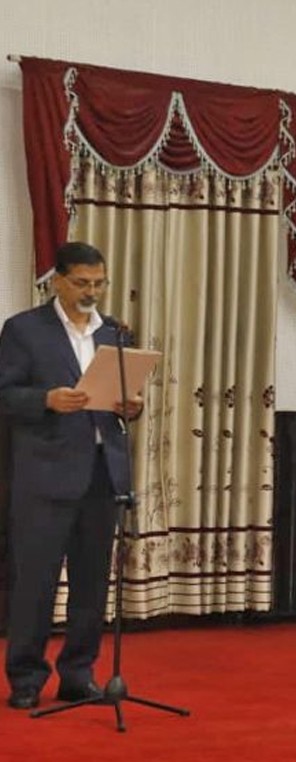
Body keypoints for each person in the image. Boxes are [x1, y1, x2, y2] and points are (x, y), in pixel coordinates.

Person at [1, 241, 143, 710]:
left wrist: (131, 406)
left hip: (102, 474)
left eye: (99, 283)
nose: (91, 292)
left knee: (91, 585)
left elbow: (122, 397)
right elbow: (5, 394)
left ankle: (78, 675)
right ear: (57, 281)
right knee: (35, 583)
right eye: (82, 283)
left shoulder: (114, 332)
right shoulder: (24, 330)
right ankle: (26, 678)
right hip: (45, 476)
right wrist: (46, 399)